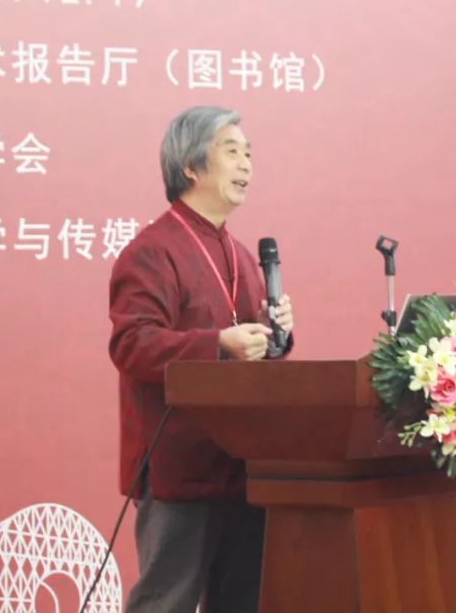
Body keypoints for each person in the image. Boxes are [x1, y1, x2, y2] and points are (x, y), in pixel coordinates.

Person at [108, 105, 294, 613]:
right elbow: (132, 345)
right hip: (179, 468)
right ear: (191, 166)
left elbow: (249, 356)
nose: (246, 164)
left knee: (242, 602)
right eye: (231, 151)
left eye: (249, 153)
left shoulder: (242, 255)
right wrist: (219, 343)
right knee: (165, 603)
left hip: (242, 465)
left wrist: (272, 335)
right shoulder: (152, 251)